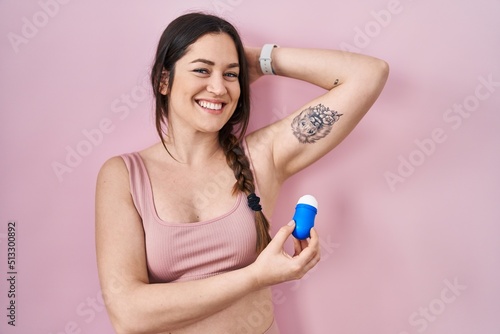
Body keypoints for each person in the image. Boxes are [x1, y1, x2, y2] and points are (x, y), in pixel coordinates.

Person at [95, 12, 388, 334]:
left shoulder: (262, 157)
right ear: (164, 80)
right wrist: (256, 277)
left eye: (231, 74)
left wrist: (261, 60)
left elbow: (369, 74)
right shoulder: (123, 175)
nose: (218, 87)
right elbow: (129, 315)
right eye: (202, 70)